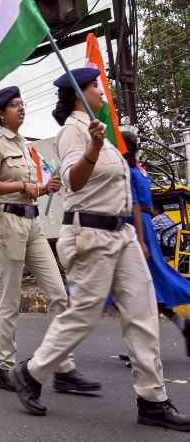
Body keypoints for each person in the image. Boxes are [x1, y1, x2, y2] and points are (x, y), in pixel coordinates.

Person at [10, 67, 190, 431]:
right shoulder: (73, 133)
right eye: (95, 85)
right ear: (79, 93)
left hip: (120, 235)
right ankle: (31, 373)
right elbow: (74, 180)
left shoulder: (102, 134)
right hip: (90, 234)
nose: (102, 91)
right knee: (83, 314)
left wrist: (135, 233)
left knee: (142, 314)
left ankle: (153, 400)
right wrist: (92, 147)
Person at [0, 85, 98, 393]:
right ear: (0, 114)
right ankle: (5, 367)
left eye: (22, 103)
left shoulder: (24, 144)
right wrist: (22, 184)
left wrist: (46, 188)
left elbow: (28, 189)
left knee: (59, 294)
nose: (21, 108)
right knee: (10, 301)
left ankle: (64, 367)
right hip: (7, 225)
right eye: (14, 105)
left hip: (32, 225)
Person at [121, 129, 190, 355]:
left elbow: (134, 205)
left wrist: (139, 239)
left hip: (134, 228)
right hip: (145, 225)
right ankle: (181, 325)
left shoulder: (128, 171)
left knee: (137, 288)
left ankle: (142, 347)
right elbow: (147, 205)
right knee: (151, 283)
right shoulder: (140, 171)